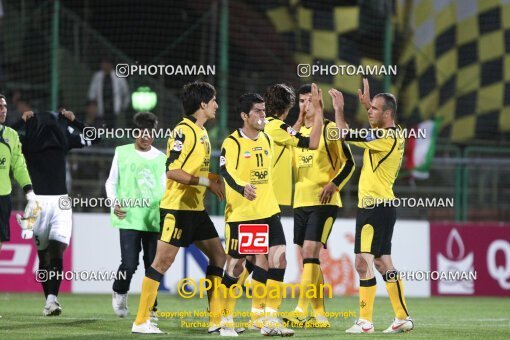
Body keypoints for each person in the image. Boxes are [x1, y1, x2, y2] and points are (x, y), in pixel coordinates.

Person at [132, 81, 226, 335]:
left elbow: (197, 170)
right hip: (177, 209)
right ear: (203, 104)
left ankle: (216, 319)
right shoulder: (183, 131)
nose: (217, 105)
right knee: (162, 263)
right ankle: (141, 321)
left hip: (195, 209)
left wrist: (214, 179)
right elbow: (172, 171)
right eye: (214, 100)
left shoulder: (203, 132)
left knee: (219, 256)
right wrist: (207, 181)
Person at [332, 78, 413, 334]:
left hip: (375, 207)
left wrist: (338, 110)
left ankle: (365, 321)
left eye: (375, 109)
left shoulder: (384, 136)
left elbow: (344, 133)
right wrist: (369, 105)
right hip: (383, 206)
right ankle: (402, 317)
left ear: (387, 114)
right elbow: (374, 130)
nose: (370, 113)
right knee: (381, 263)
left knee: (362, 262)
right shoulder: (394, 133)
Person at [219, 92, 294, 337]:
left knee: (279, 260)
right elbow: (225, 172)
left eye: (264, 110)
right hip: (243, 213)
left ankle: (268, 318)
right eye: (258, 111)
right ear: (244, 116)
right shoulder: (232, 142)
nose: (263, 115)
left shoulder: (269, 139)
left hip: (268, 210)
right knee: (237, 266)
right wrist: (242, 188)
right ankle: (226, 319)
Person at [283, 84, 355, 328]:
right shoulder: (298, 132)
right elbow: (284, 146)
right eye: (301, 101)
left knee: (311, 251)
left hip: (324, 202)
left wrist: (334, 184)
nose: (306, 105)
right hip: (300, 202)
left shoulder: (329, 129)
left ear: (318, 102)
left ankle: (301, 308)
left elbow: (349, 163)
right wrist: (298, 119)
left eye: (310, 100)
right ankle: (320, 316)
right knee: (308, 258)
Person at [13, 104, 94, 316]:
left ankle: (52, 299)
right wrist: (72, 121)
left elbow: (95, 137)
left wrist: (75, 120)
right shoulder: (27, 141)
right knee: (43, 257)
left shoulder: (38, 139)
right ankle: (49, 301)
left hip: (61, 202)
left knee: (57, 249)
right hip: (36, 202)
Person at [105, 112, 166, 319]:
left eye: (149, 132)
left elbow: (166, 189)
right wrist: (114, 203)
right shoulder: (122, 152)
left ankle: (151, 308)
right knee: (130, 263)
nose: (146, 136)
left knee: (153, 264)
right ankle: (120, 291)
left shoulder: (161, 158)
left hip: (153, 218)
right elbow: (111, 182)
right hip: (129, 217)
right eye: (141, 132)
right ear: (134, 132)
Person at [0, 93, 41, 278]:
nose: (3, 110)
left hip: (3, 195)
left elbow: (19, 166)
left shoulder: (12, 135)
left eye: (4, 106)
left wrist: (29, 191)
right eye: (0, 107)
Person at [88, 57, 130, 128]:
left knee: (115, 128)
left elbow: (125, 92)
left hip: (115, 109)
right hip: (101, 109)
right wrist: (93, 105)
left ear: (110, 65)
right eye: (102, 64)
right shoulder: (97, 76)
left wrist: (124, 106)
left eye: (105, 64)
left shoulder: (119, 76)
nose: (103, 65)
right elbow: (92, 92)